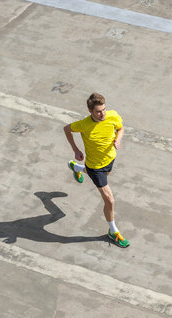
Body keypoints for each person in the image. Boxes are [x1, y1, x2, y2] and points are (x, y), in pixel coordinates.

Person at [63, 92, 129, 248]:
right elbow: (66, 129)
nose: (103, 114)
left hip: (110, 159)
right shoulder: (84, 124)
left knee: (102, 177)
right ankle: (113, 231)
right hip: (95, 166)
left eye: (104, 109)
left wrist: (118, 139)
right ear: (90, 111)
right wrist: (76, 150)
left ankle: (76, 167)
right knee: (110, 200)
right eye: (98, 111)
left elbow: (121, 128)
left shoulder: (112, 116)